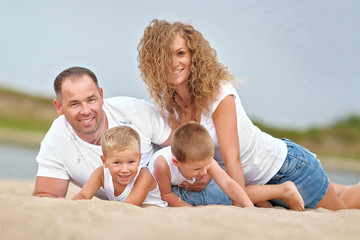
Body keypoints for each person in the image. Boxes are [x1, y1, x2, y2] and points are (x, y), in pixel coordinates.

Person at [137, 19, 360, 210]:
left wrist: (241, 207)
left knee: (342, 208)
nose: (174, 63)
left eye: (181, 53)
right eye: (165, 56)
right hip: (256, 186)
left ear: (193, 56)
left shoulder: (218, 94)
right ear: (155, 62)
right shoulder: (169, 106)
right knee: (343, 192)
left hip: (284, 169)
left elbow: (232, 158)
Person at [33, 66, 171, 199]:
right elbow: (46, 196)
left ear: (101, 95)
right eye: (74, 104)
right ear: (59, 107)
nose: (86, 111)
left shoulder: (135, 110)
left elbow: (183, 144)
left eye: (91, 100)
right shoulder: (56, 140)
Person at [149, 122, 253, 207]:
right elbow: (166, 195)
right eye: (197, 169)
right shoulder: (162, 165)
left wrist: (249, 207)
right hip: (167, 188)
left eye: (207, 165)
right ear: (177, 162)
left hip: (186, 184)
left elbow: (227, 183)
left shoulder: (204, 160)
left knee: (227, 194)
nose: (204, 172)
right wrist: (192, 209)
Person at [72, 126, 167, 207]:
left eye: (131, 162)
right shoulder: (100, 174)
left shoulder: (144, 176)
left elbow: (129, 206)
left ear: (139, 159)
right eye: (117, 163)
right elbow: (83, 195)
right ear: (104, 161)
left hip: (151, 212)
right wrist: (71, 205)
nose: (125, 170)